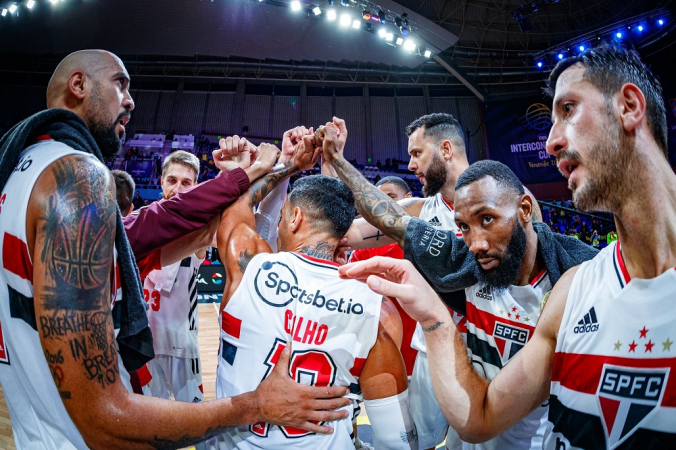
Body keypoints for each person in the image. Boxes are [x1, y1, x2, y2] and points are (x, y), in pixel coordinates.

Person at [0, 49, 352, 449]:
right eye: (121, 84)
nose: (131, 100)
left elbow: (204, 228)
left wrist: (282, 167)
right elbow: (105, 418)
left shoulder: (20, 174)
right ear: (79, 85)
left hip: (47, 428)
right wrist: (254, 404)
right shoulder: (76, 179)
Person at [340, 43, 676, 449]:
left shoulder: (560, 272)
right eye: (464, 226)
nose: (551, 141)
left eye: (568, 109)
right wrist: (435, 318)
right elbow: (480, 419)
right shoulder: (577, 287)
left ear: (628, 106)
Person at [210, 132, 416, 449]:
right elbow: (397, 438)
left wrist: (287, 165)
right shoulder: (379, 310)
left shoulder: (251, 266)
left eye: (281, 217)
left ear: (295, 217)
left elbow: (238, 203)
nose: (278, 226)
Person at [142, 150, 209, 403]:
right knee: (151, 420)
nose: (178, 189)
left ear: (196, 187)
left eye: (186, 183)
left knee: (194, 420)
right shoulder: (143, 221)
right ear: (161, 182)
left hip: (181, 344)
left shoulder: (201, 225)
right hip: (146, 342)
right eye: (172, 181)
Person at [349, 176, 418, 375]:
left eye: (391, 197)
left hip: (421, 351)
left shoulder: (424, 242)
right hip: (378, 348)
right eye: (379, 199)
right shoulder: (363, 249)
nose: (385, 205)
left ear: (409, 199)